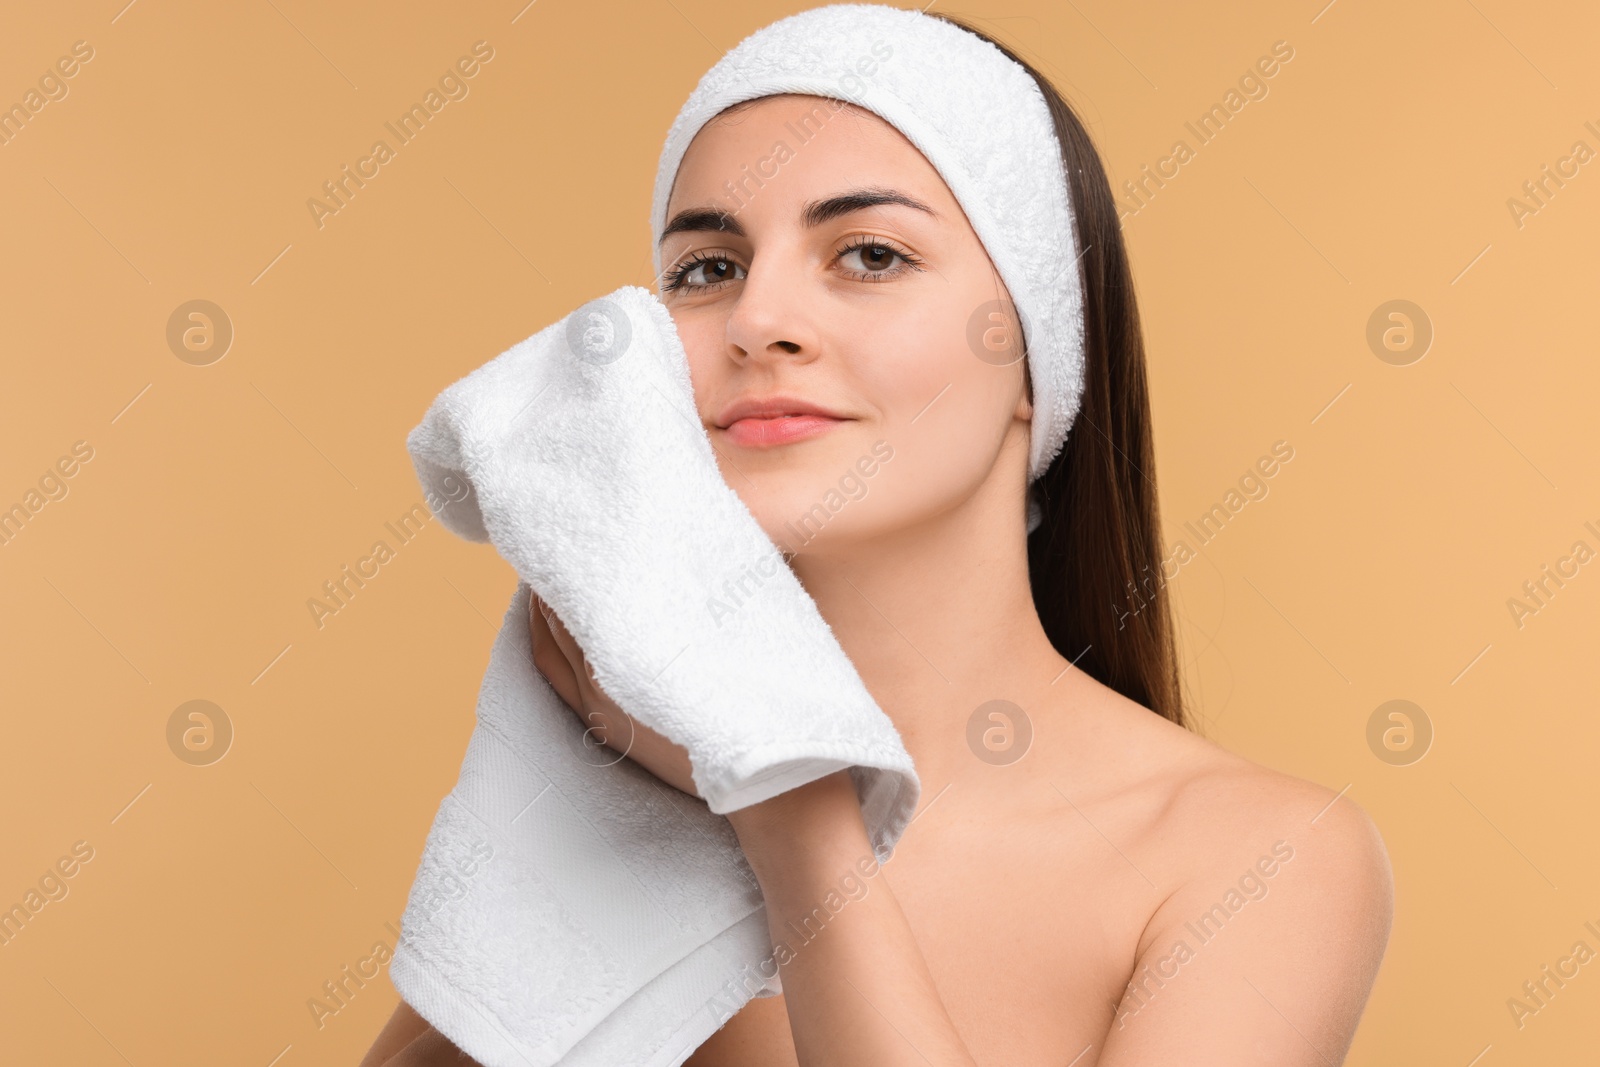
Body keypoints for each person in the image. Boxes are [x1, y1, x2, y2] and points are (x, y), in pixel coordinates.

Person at [364, 10, 1393, 1066]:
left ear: (1037, 358)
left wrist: (796, 822)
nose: (758, 317)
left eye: (867, 254)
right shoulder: (594, 781)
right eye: (707, 269)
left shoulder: (1259, 859)